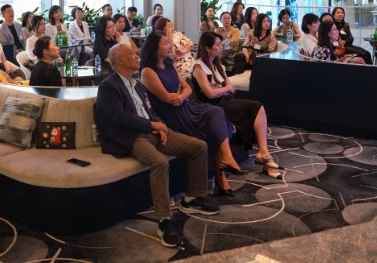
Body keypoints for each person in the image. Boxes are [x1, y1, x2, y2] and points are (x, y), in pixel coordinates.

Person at [94, 43, 219, 248]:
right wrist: (151, 125)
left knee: (198, 146)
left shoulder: (137, 84)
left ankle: (191, 199)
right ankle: (164, 220)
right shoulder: (108, 86)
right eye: (131, 53)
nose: (137, 55)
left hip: (151, 132)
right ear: (120, 60)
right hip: (132, 137)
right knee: (159, 162)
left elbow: (149, 111)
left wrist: (160, 126)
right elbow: (119, 118)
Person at [140, 31, 249, 196]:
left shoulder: (169, 64)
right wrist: (180, 95)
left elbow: (187, 88)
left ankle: (226, 159)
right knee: (214, 125)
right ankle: (221, 176)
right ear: (154, 47)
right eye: (165, 43)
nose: (169, 46)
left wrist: (181, 96)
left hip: (185, 106)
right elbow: (167, 98)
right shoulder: (148, 71)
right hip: (172, 115)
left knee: (215, 113)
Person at [192, 32, 283, 179]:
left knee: (257, 107)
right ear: (207, 48)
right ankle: (265, 157)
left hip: (225, 101)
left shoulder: (218, 65)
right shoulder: (198, 67)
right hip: (212, 107)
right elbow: (210, 94)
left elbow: (230, 88)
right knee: (254, 108)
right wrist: (224, 89)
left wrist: (222, 89)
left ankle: (264, 153)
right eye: (218, 45)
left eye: (221, 44)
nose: (221, 47)